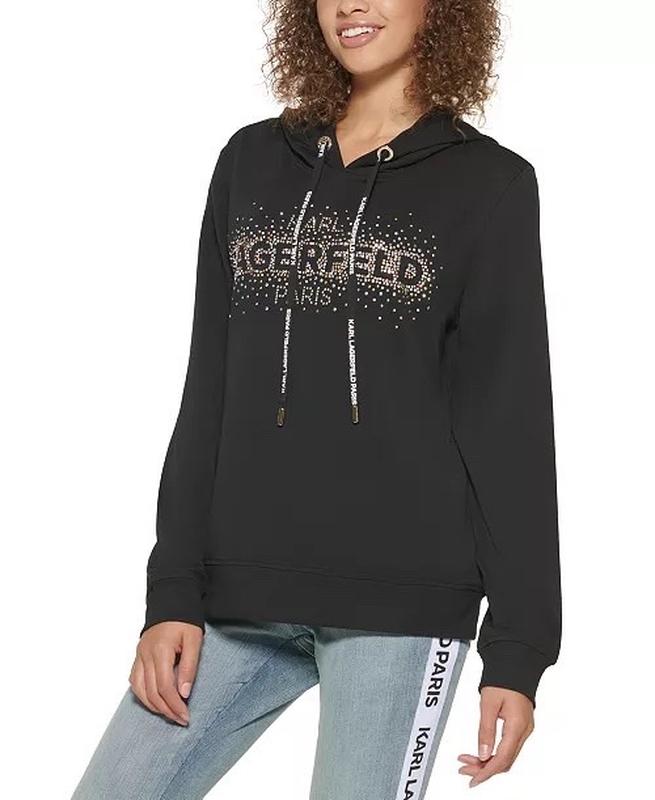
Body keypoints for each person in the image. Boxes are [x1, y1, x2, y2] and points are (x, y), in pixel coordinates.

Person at [72, 1, 561, 797]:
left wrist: (519, 649)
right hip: (236, 592)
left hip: (402, 604)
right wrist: (172, 593)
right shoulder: (252, 161)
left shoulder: (489, 183)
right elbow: (209, 386)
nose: (350, 5)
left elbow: (507, 423)